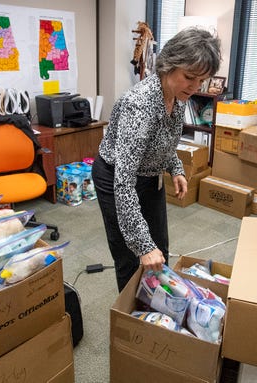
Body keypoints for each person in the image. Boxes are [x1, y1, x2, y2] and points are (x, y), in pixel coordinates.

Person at [92, 27, 221, 291]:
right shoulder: (139, 105)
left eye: (202, 81)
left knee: (159, 246)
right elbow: (124, 183)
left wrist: (175, 168)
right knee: (132, 255)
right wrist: (142, 245)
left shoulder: (178, 94)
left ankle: (158, 306)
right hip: (116, 176)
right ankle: (131, 323)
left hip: (150, 174)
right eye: (190, 78)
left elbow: (163, 139)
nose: (195, 87)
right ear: (169, 64)